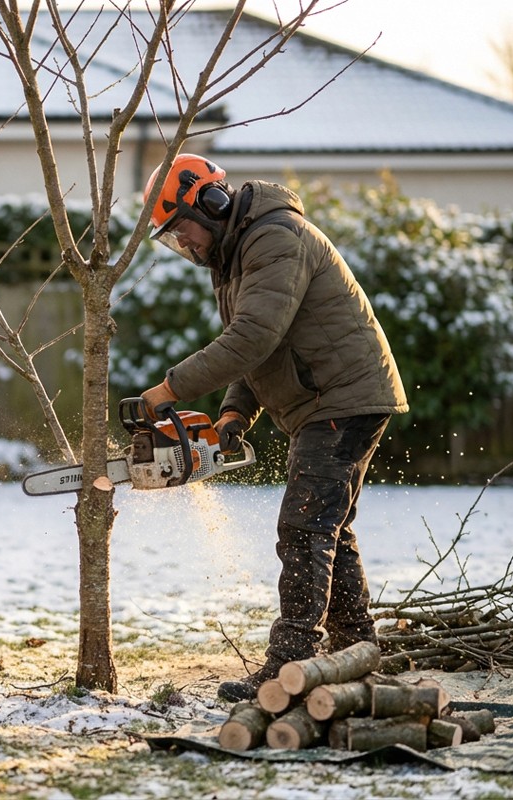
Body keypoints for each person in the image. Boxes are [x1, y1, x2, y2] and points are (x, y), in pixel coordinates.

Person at [137, 153, 409, 703]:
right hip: (327, 398)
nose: (183, 244)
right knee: (329, 528)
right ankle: (357, 648)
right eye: (172, 238)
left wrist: (168, 390)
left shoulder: (275, 237)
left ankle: (291, 662)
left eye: (182, 229)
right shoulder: (235, 257)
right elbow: (256, 347)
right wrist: (237, 412)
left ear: (210, 204)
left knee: (305, 527)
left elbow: (252, 338)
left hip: (342, 397)